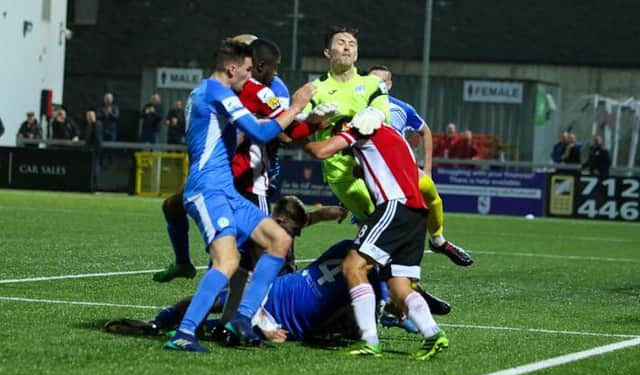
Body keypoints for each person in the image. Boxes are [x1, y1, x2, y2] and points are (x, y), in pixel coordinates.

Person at [162, 38, 315, 352]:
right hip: (207, 191)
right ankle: (184, 333)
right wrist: (297, 106)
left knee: (279, 240)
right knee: (228, 260)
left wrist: (302, 119)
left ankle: (241, 318)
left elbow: (253, 127)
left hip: (226, 192)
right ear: (232, 68)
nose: (250, 76)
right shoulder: (216, 92)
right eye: (247, 70)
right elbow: (262, 132)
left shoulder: (213, 93)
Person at [152, 37, 332, 284]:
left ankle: (272, 298)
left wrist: (313, 121)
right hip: (218, 173)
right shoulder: (224, 88)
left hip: (251, 178)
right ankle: (188, 274)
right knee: (177, 209)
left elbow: (284, 132)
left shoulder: (269, 90)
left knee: (255, 254)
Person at [105, 239, 452, 344]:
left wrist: (398, 317)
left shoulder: (369, 281)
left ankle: (192, 327)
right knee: (221, 298)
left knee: (229, 328)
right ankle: (164, 319)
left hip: (290, 323)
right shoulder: (354, 256)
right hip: (273, 293)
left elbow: (353, 320)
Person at [304, 118, 448, 361]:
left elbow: (321, 151)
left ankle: (369, 340)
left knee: (353, 266)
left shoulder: (359, 128)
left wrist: (299, 137)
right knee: (399, 285)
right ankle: (433, 333)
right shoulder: (391, 134)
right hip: (416, 214)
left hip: (395, 206)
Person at [369, 65, 472, 267]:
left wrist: (427, 169)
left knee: (430, 193)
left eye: (382, 82)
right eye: (372, 82)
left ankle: (438, 240)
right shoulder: (357, 107)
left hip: (401, 168)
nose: (377, 86)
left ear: (389, 85)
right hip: (370, 171)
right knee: (372, 225)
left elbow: (425, 131)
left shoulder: (401, 108)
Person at [301, 27, 390, 223]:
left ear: (357, 53)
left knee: (391, 222)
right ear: (327, 53)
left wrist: (374, 113)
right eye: (340, 43)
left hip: (376, 167)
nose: (347, 48)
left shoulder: (372, 83)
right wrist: (310, 120)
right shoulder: (315, 89)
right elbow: (298, 125)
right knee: (376, 221)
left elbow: (384, 113)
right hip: (343, 173)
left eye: (352, 44)